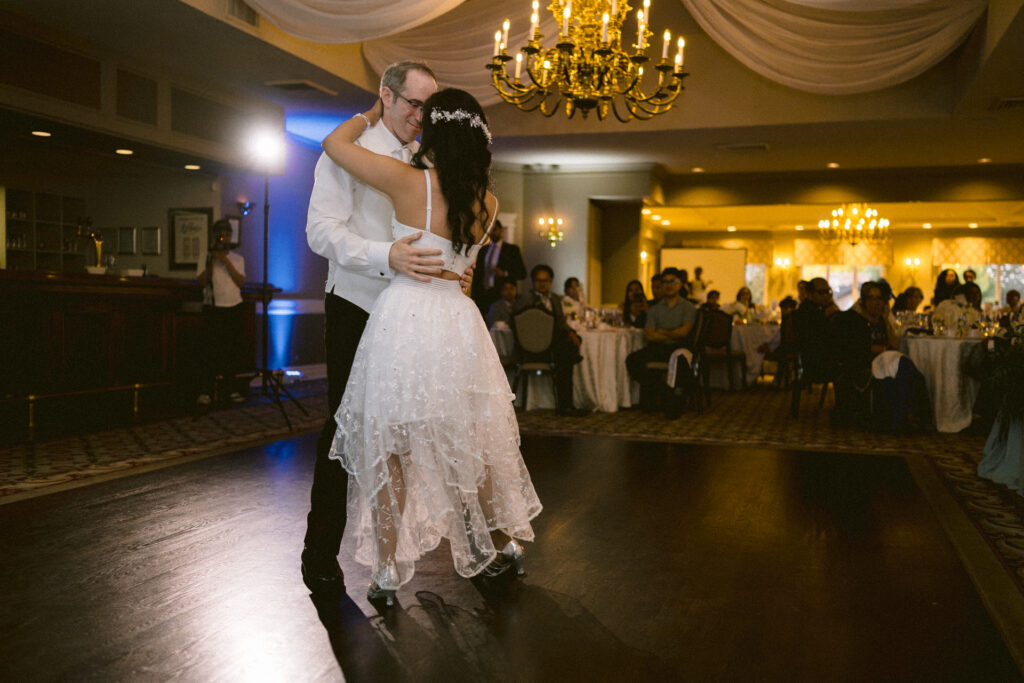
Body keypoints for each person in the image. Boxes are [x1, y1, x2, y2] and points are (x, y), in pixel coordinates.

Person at [321, 88, 542, 605]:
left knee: (392, 450)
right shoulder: (488, 204)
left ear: (434, 131)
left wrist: (373, 112)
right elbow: (460, 268)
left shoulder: (408, 181)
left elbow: (335, 144)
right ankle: (506, 545)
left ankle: (386, 572)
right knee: (476, 445)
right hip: (459, 323)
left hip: (406, 318)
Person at [301, 61, 446, 595]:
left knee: (407, 432)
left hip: (412, 314)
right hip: (357, 304)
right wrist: (387, 256)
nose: (421, 116)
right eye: (413, 103)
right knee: (345, 429)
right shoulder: (345, 154)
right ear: (385, 96)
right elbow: (321, 233)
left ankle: (392, 557)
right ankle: (319, 552)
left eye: (429, 106)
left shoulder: (425, 160)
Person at [625, 267, 697, 414]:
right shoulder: (654, 310)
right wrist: (672, 332)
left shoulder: (688, 307)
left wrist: (661, 332)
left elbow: (684, 333)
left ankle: (673, 399)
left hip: (680, 347)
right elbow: (649, 335)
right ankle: (665, 393)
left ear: (680, 284)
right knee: (632, 360)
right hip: (658, 348)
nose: (668, 285)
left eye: (673, 281)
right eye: (665, 282)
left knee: (681, 359)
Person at [518, 264, 586, 417]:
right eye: (539, 281)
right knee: (566, 352)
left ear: (551, 282)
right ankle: (566, 405)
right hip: (533, 346)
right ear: (533, 282)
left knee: (570, 342)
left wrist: (571, 333)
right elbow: (521, 325)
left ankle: (566, 406)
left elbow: (561, 322)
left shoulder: (555, 299)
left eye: (546, 281)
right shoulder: (525, 299)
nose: (542, 284)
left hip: (554, 346)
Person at [195, 218, 246, 407]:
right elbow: (201, 282)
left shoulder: (237, 258)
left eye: (226, 234)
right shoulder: (205, 256)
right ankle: (206, 391)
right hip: (212, 308)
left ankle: (230, 390)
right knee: (209, 351)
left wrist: (225, 260)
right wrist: (212, 260)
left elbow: (240, 282)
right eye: (220, 234)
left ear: (231, 237)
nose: (223, 237)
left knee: (231, 351)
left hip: (233, 307)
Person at [470, 218, 526, 316]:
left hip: (502, 294)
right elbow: (477, 273)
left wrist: (504, 273)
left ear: (501, 230)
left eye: (494, 229)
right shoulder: (483, 250)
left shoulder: (512, 250)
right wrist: (474, 294)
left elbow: (522, 273)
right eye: (489, 230)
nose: (492, 233)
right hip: (483, 294)